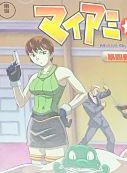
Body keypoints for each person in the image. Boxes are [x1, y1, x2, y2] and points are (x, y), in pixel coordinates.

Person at [7, 36, 86, 164]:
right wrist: (14, 82)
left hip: (53, 124)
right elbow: (21, 102)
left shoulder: (62, 72)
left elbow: (83, 93)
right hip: (34, 125)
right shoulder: (34, 78)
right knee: (36, 168)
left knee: (54, 168)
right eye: (33, 54)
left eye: (42, 53)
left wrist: (68, 107)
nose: (37, 57)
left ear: (51, 53)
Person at [81, 85, 116, 152]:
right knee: (86, 139)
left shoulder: (97, 95)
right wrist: (102, 106)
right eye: (96, 91)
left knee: (111, 137)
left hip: (102, 120)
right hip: (94, 122)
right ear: (91, 91)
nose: (98, 92)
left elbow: (107, 93)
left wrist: (107, 89)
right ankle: (78, 150)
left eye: (98, 91)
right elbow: (93, 111)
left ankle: (110, 152)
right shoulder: (85, 101)